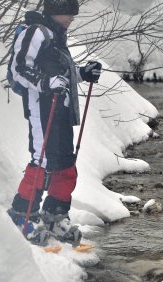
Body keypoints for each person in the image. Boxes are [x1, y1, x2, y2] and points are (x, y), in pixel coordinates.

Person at [7, 0, 102, 245]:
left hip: (61, 109)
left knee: (64, 162)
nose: (73, 17)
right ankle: (22, 213)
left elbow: (61, 74)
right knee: (43, 160)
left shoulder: (56, 35)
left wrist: (83, 73)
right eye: (69, 13)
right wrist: (45, 83)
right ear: (56, 11)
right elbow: (18, 69)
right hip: (41, 107)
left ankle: (55, 215)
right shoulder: (35, 32)